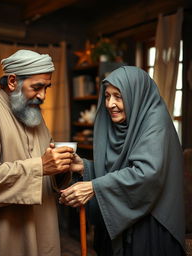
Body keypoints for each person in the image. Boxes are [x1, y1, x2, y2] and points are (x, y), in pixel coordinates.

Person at [0, 49, 74, 256]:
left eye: (47, 88)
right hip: (1, 233)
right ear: (12, 82)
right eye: (37, 87)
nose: (43, 96)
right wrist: (40, 166)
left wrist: (61, 167)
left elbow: (47, 168)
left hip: (41, 226)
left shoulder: (34, 114)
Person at [59, 66, 186, 256]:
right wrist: (84, 167)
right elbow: (117, 170)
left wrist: (94, 187)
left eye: (118, 96)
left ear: (135, 94)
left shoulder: (155, 122)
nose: (110, 104)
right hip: (125, 222)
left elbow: (146, 175)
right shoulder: (120, 125)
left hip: (150, 224)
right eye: (108, 96)